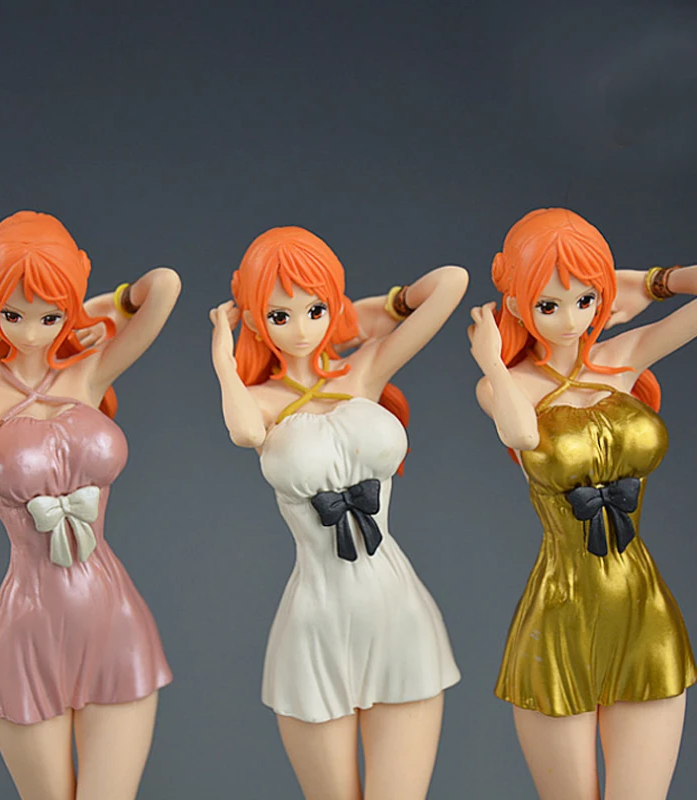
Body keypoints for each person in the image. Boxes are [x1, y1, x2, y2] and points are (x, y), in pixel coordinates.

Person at [210, 225, 467, 799]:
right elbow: (243, 431)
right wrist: (224, 358)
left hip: (396, 608)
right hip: (317, 618)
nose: (301, 329)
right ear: (255, 320)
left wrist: (366, 313)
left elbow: (450, 284)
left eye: (315, 309)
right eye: (280, 315)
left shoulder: (363, 372)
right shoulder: (262, 403)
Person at [0, 210, 181, 800]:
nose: (31, 333)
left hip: (112, 615)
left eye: (49, 316)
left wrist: (94, 307)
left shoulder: (87, 376)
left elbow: (165, 286)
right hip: (28, 624)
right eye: (14, 314)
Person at [469, 207, 697, 800]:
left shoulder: (623, 360)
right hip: (561, 608)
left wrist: (653, 282)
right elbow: (520, 434)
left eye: (585, 299)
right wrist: (492, 359)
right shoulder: (507, 386)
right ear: (517, 304)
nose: (570, 319)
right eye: (549, 304)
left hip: (641, 605)